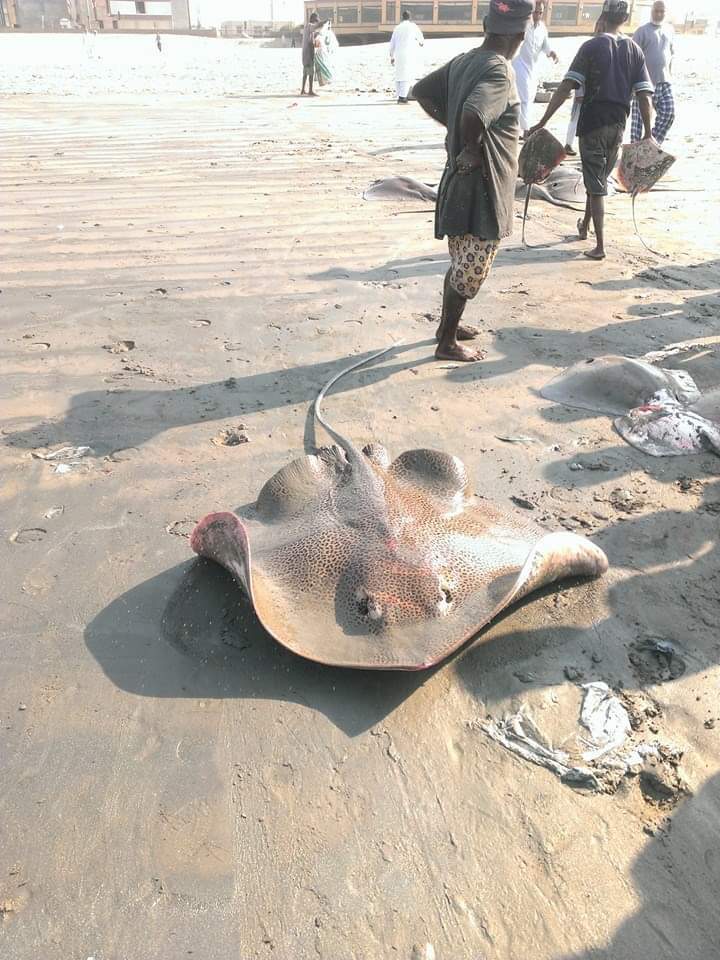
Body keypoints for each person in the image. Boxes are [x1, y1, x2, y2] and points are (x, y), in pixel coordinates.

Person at [413, 0, 533, 362]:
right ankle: (447, 342)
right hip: (481, 187)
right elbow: (473, 114)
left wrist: (452, 127)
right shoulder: (500, 70)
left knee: (460, 262)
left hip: (458, 183)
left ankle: (446, 326)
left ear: (485, 26)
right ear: (521, 35)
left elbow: (422, 91)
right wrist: (472, 146)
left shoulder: (465, 60)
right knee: (471, 271)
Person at [528, 0, 654, 260]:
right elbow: (644, 95)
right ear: (625, 19)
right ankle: (584, 226)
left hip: (592, 124)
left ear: (602, 17)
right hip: (618, 125)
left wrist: (543, 121)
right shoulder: (635, 50)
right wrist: (648, 132)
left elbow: (566, 87)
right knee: (596, 179)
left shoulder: (591, 46)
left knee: (596, 186)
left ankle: (600, 247)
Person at [631, 0, 675, 144]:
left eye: (662, 11)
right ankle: (635, 149)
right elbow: (632, 57)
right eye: (656, 11)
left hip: (664, 82)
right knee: (638, 123)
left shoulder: (670, 30)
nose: (659, 14)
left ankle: (652, 143)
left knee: (669, 113)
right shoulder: (642, 31)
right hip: (644, 83)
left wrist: (670, 73)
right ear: (651, 11)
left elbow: (671, 54)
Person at [513, 0, 558, 137]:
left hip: (533, 67)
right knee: (525, 96)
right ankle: (526, 130)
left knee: (530, 96)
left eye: (540, 13)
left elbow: (545, 45)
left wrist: (551, 52)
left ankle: (519, 128)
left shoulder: (542, 28)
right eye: (535, 12)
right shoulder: (523, 25)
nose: (537, 15)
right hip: (520, 64)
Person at [564, 15, 606, 154]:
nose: (600, 30)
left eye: (602, 28)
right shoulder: (589, 47)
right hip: (583, 92)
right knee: (575, 119)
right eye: (598, 28)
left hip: (596, 96)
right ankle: (568, 144)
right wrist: (579, 92)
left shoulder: (606, 47)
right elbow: (578, 72)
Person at [390, 11, 425, 104]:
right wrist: (421, 43)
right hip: (409, 54)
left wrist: (392, 56)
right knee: (407, 75)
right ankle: (402, 98)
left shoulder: (397, 28)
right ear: (410, 17)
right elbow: (421, 39)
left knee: (398, 75)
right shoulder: (413, 26)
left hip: (398, 54)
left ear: (402, 17)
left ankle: (399, 95)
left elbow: (392, 43)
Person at [301, 12, 327, 96]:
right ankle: (310, 91)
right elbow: (316, 26)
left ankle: (302, 90)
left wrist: (317, 35)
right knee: (311, 73)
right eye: (316, 20)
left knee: (305, 72)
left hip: (305, 54)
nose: (316, 21)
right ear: (312, 19)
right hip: (308, 54)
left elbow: (312, 35)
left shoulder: (307, 27)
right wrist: (324, 21)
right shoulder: (310, 25)